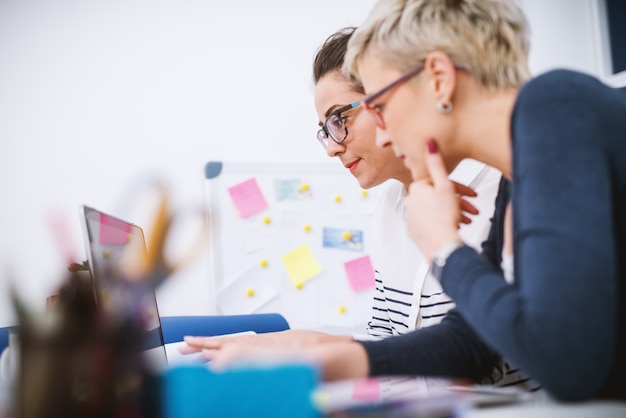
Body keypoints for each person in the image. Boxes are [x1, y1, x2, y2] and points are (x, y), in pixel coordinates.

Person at [183, 26, 509, 389]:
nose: (332, 148)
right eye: (325, 129)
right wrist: (285, 343)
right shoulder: (389, 206)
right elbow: (387, 341)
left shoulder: (502, 190)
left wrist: (305, 353)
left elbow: (483, 357)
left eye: (340, 119)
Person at [336, 0, 625, 401]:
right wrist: (324, 360)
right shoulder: (517, 175)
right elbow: (473, 342)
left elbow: (567, 363)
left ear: (439, 78)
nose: (382, 136)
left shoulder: (556, 107)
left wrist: (443, 247)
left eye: (380, 108)